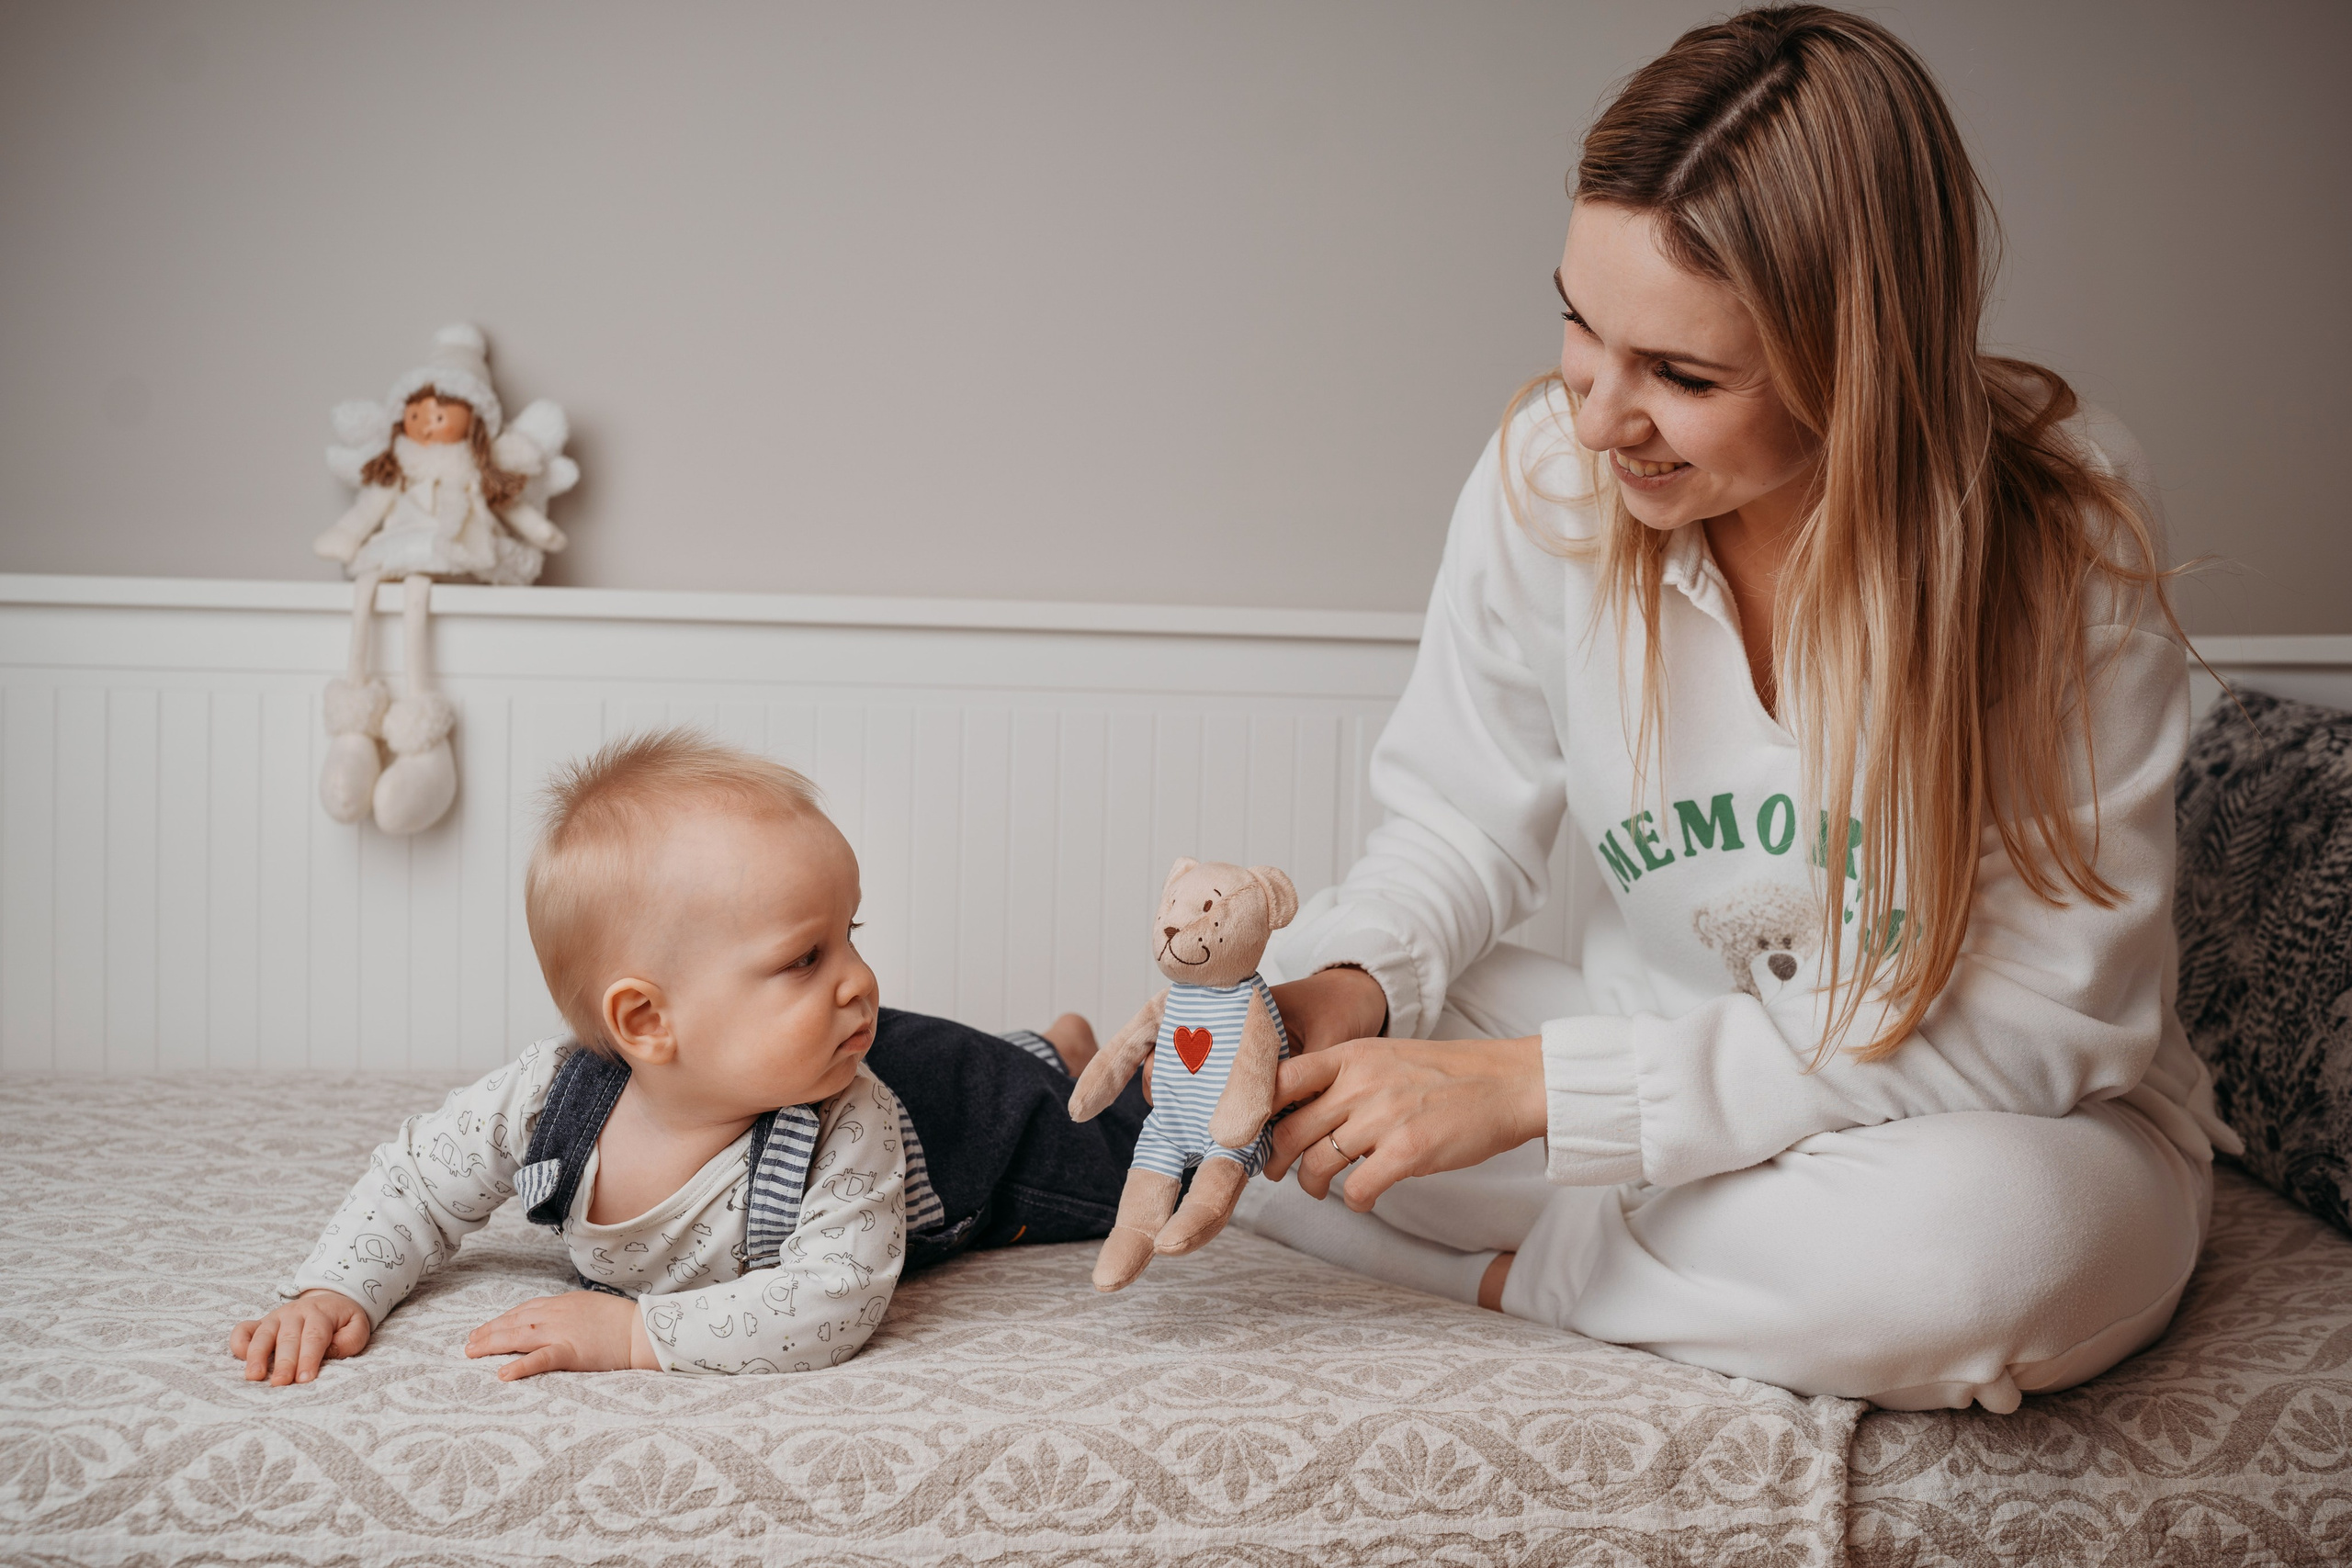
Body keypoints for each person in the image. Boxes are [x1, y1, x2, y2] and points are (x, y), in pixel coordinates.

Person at [1230, 4, 2242, 1412]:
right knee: (1346, 1049)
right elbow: (1456, 823)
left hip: (1983, 1119)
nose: (1596, 418)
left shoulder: (2060, 528)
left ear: (1859, 364)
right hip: (1660, 1054)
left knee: (1996, 1251)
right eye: (1582, 326)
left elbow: (2043, 1023)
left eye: (1684, 377)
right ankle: (1703, 1262)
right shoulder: (1548, 475)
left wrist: (1544, 1100)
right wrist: (1330, 1000)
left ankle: (1490, 1270)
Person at [229, 730, 1136, 1384]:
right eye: (804, 958)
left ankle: (1055, 1060)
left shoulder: (844, 1119)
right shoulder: (551, 1100)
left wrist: (632, 1334)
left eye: (849, 936)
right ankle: (1050, 1046)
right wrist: (334, 1285)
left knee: (1111, 1142)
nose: (859, 977)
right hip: (867, 1064)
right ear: (646, 1021)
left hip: (973, 1129)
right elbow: (418, 1181)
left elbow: (833, 1301)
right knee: (992, 1061)